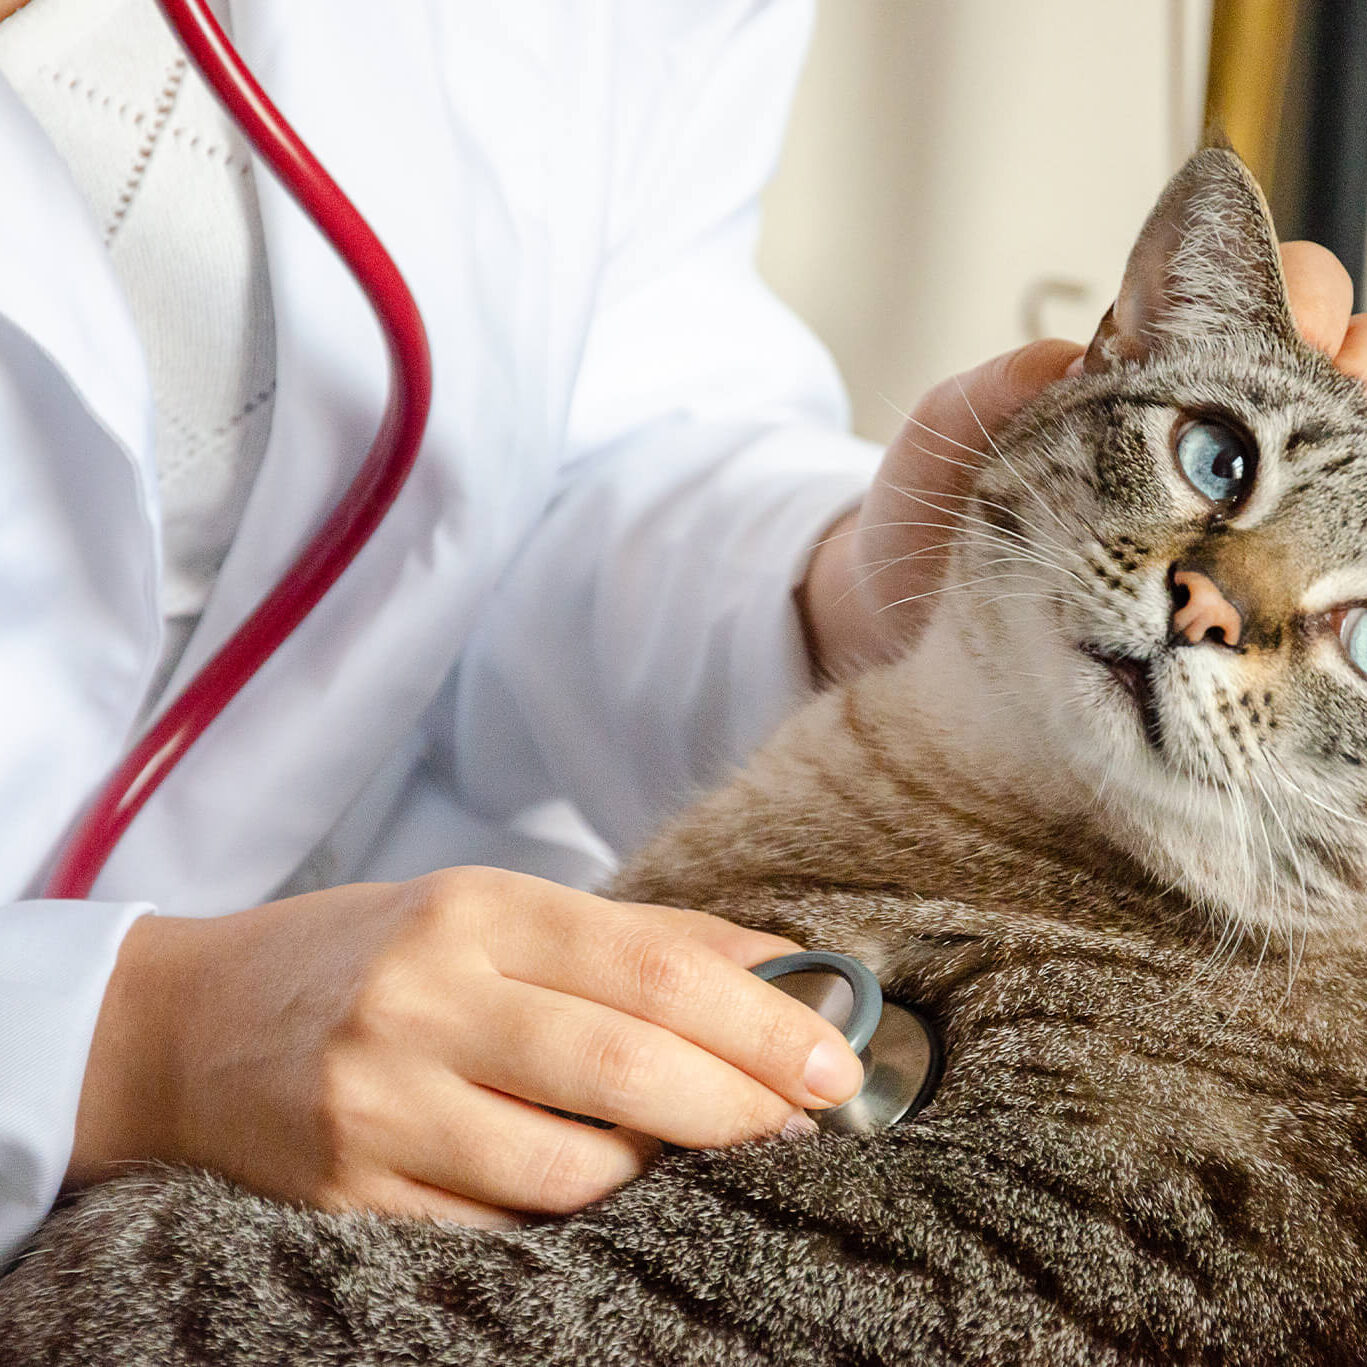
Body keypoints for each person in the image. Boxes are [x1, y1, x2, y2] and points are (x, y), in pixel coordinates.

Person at [0, 0, 1363, 1267]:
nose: (1214, 598)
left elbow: (574, 426)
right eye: (1227, 477)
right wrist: (115, 1043)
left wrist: (835, 588)